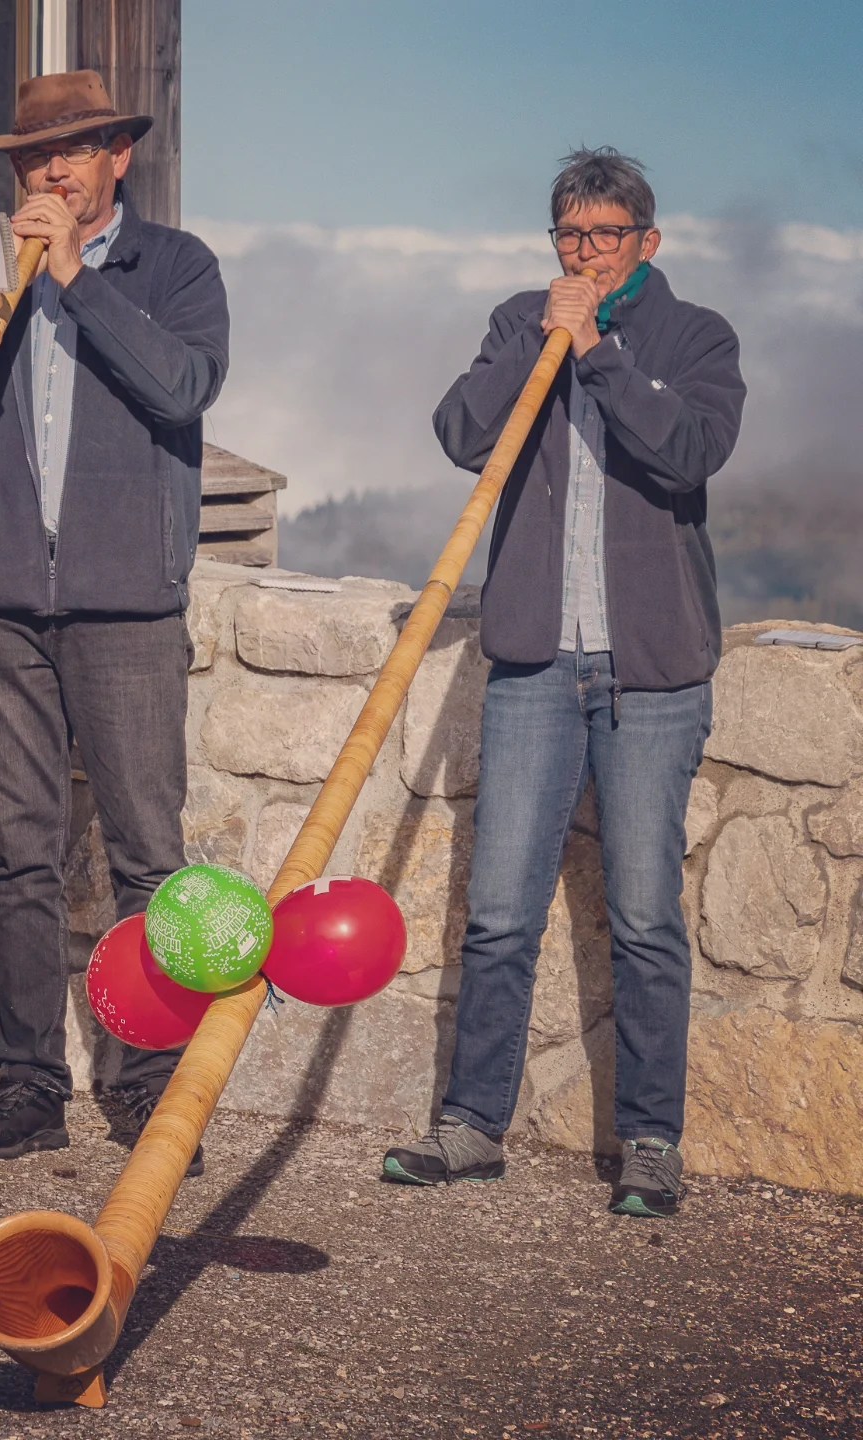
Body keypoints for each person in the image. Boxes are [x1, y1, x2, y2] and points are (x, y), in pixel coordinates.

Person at [383, 148, 745, 1217]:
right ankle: (470, 1127)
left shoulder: (698, 337)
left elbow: (688, 454)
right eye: (570, 236)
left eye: (605, 236)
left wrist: (597, 354)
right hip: (538, 659)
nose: (585, 254)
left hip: (653, 670)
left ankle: (650, 1142)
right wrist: (542, 338)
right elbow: (459, 434)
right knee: (498, 911)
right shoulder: (517, 319)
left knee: (643, 914)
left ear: (648, 241)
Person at [0, 71, 229, 1168]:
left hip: (127, 603)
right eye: (37, 156)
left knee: (147, 854)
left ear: (117, 157)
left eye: (77, 150)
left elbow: (183, 388)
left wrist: (77, 279)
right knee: (20, 855)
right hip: (0, 602)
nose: (53, 169)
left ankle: (150, 1085)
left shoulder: (174, 267)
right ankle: (29, 1080)